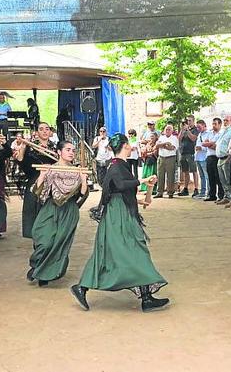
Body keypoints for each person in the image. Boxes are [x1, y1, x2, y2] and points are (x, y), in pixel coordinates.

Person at [70, 133, 169, 312]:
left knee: (118, 252)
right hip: (118, 217)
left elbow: (118, 192)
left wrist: (142, 198)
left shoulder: (118, 165)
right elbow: (122, 186)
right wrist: (143, 181)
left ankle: (146, 298)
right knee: (126, 251)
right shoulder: (115, 166)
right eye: (129, 143)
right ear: (125, 146)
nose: (131, 146)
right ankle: (82, 287)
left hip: (120, 213)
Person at [27, 141, 89, 286]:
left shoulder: (77, 171)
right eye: (68, 149)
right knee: (43, 239)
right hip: (50, 207)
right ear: (59, 152)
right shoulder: (50, 169)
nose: (71, 152)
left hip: (69, 211)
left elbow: (83, 194)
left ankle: (45, 274)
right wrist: (42, 176)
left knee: (59, 242)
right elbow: (36, 192)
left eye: (73, 150)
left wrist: (83, 179)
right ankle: (37, 264)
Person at [15, 122, 57, 242]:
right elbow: (21, 162)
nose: (44, 131)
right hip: (35, 180)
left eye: (47, 129)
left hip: (52, 183)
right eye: (41, 129)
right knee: (34, 211)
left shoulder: (56, 148)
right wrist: (22, 147)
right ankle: (37, 240)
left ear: (50, 132)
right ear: (37, 132)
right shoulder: (30, 146)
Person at [215, 115, 231, 205]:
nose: (225, 122)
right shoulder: (224, 131)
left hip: (227, 158)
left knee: (228, 179)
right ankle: (226, 196)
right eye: (224, 120)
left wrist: (229, 158)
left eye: (227, 120)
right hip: (220, 158)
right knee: (222, 180)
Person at [155, 124, 179, 198]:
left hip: (170, 158)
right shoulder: (161, 137)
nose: (167, 131)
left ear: (172, 131)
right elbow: (156, 146)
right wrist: (165, 144)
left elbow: (172, 148)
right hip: (161, 157)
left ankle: (170, 192)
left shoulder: (174, 138)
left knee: (170, 175)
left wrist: (162, 146)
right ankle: (159, 192)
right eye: (166, 129)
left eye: (169, 129)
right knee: (160, 175)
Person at [202, 118, 224, 201]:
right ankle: (212, 195)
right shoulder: (210, 133)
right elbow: (204, 143)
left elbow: (216, 145)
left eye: (215, 124)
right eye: (213, 124)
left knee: (218, 177)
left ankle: (221, 195)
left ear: (220, 124)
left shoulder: (221, 134)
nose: (214, 125)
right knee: (211, 176)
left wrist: (210, 144)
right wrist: (210, 144)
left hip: (217, 156)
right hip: (209, 156)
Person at [178, 115, 199, 197]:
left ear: (193, 121)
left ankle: (196, 188)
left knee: (194, 171)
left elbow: (193, 138)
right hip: (183, 152)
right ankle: (185, 189)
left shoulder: (195, 130)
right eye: (187, 121)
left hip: (191, 152)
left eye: (190, 121)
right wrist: (183, 130)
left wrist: (187, 130)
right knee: (185, 171)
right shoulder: (184, 129)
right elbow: (179, 138)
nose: (188, 122)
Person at [194, 120, 209, 198]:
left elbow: (209, 147)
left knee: (207, 176)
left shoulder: (208, 134)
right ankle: (202, 191)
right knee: (202, 176)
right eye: (197, 127)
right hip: (198, 157)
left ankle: (208, 192)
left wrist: (201, 148)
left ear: (204, 125)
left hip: (204, 157)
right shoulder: (199, 134)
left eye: (199, 127)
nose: (198, 129)